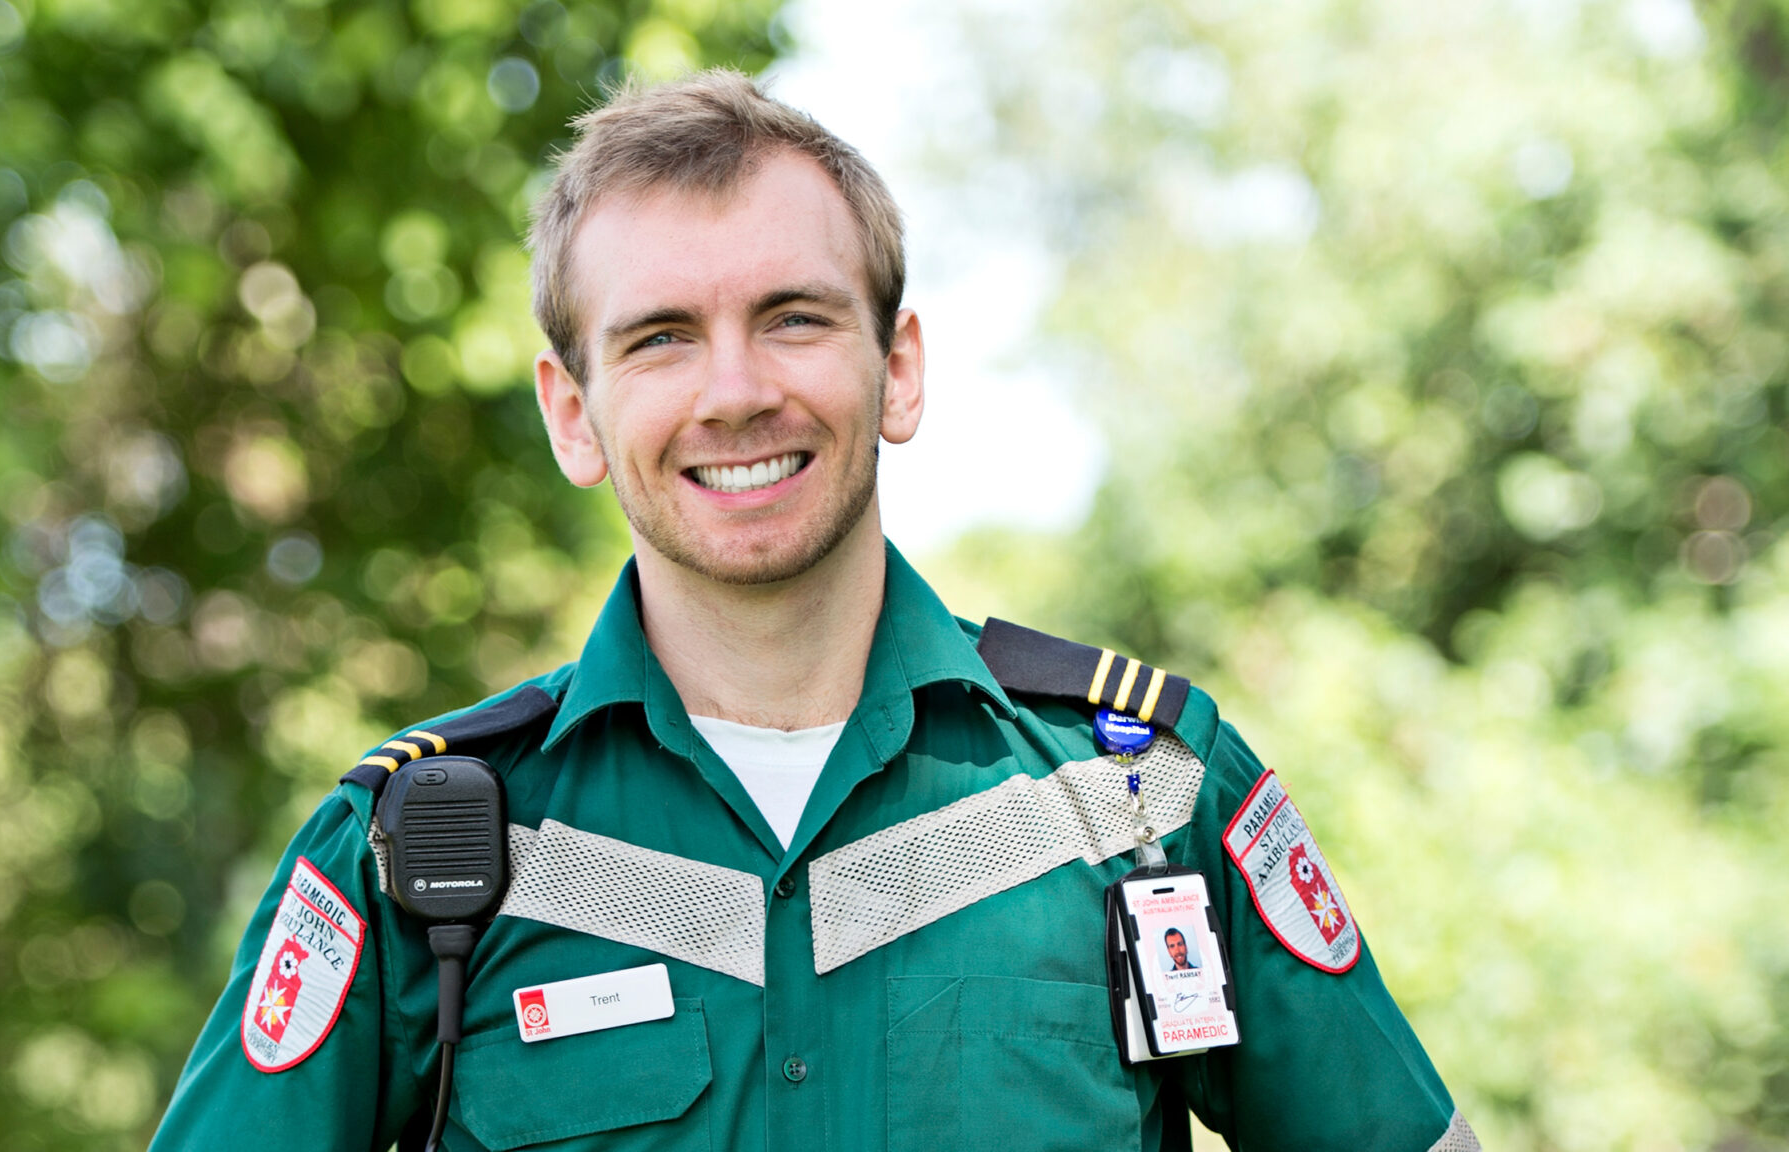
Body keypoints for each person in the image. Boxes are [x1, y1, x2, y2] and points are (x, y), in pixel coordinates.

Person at [152, 71, 1480, 1151]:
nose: (733, 391)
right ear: (575, 415)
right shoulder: (430, 843)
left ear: (897, 370)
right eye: (661, 337)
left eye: (792, 319)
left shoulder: (1141, 784)